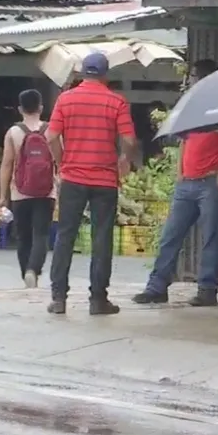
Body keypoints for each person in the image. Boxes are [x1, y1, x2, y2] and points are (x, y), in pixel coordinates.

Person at [45, 53, 138, 315]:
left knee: (65, 236)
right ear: (106, 74)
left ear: (82, 72)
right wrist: (124, 161)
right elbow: (129, 141)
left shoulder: (66, 99)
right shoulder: (116, 101)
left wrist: (63, 162)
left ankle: (59, 298)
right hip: (105, 180)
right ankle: (98, 300)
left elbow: (51, 136)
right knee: (101, 239)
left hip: (73, 178)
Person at [132, 59, 218, 306]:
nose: (189, 81)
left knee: (211, 237)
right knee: (170, 236)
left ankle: (207, 289)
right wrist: (180, 172)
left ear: (204, 78)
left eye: (193, 76)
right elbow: (185, 139)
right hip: (188, 182)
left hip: (211, 181)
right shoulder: (191, 105)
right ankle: (157, 286)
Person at [0, 89, 56, 289]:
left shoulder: (13, 132)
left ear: (20, 109)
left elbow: (6, 164)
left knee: (23, 236)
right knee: (41, 234)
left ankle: (26, 276)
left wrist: (3, 196)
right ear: (41, 107)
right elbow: (61, 161)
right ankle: (33, 270)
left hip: (20, 192)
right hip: (47, 191)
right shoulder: (52, 130)